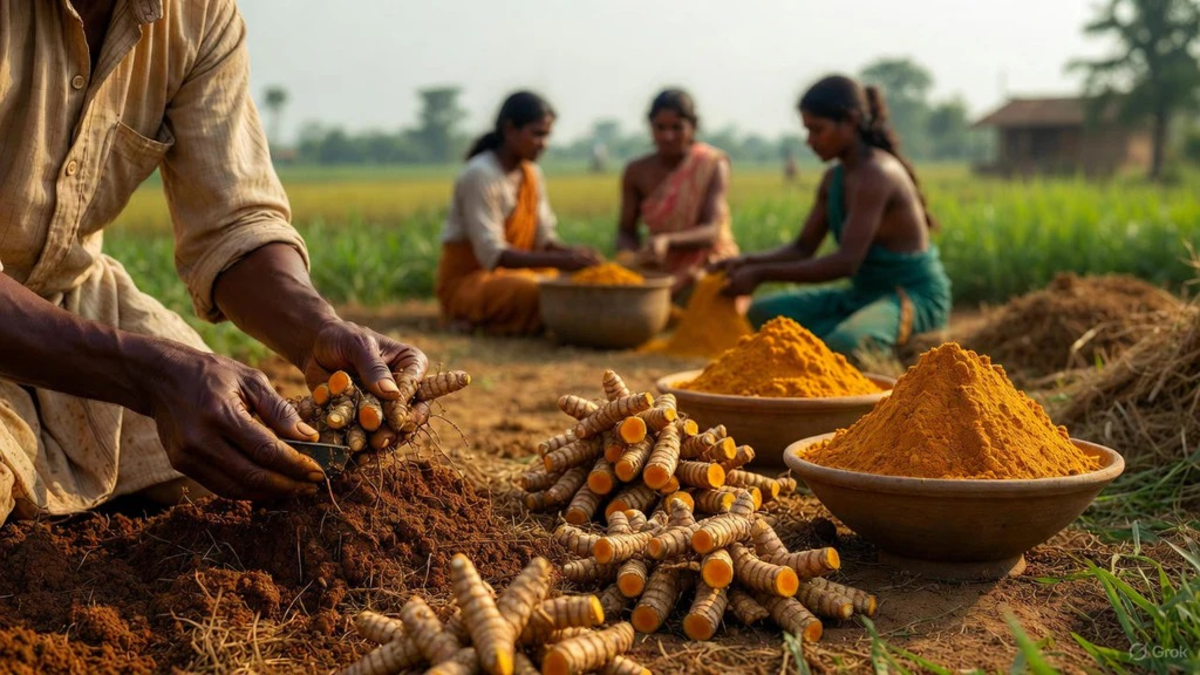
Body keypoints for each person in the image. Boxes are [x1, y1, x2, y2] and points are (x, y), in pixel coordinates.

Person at [0, 0, 430, 525]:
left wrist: (315, 328)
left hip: (78, 300)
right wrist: (149, 376)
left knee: (255, 458)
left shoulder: (199, 15)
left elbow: (234, 225)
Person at [714, 75, 951, 358]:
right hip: (862, 295)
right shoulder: (833, 179)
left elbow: (846, 263)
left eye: (817, 130)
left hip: (909, 296)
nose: (810, 141)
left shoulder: (877, 174)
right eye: (807, 131)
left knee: (850, 346)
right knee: (760, 315)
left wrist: (761, 273)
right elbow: (802, 248)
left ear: (850, 121)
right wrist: (745, 261)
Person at [436, 92, 601, 336]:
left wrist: (575, 255)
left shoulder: (532, 174)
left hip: (518, 273)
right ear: (510, 129)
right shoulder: (480, 175)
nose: (543, 143)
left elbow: (544, 240)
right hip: (473, 281)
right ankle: (469, 317)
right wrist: (561, 261)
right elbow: (492, 255)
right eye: (537, 134)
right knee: (535, 290)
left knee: (573, 282)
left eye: (546, 135)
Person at [617, 89, 739, 300]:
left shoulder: (711, 164)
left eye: (677, 128)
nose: (668, 136)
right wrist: (634, 256)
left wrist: (667, 241)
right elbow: (626, 231)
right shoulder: (637, 171)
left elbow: (711, 231)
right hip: (659, 267)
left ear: (693, 127)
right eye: (660, 128)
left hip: (707, 264)